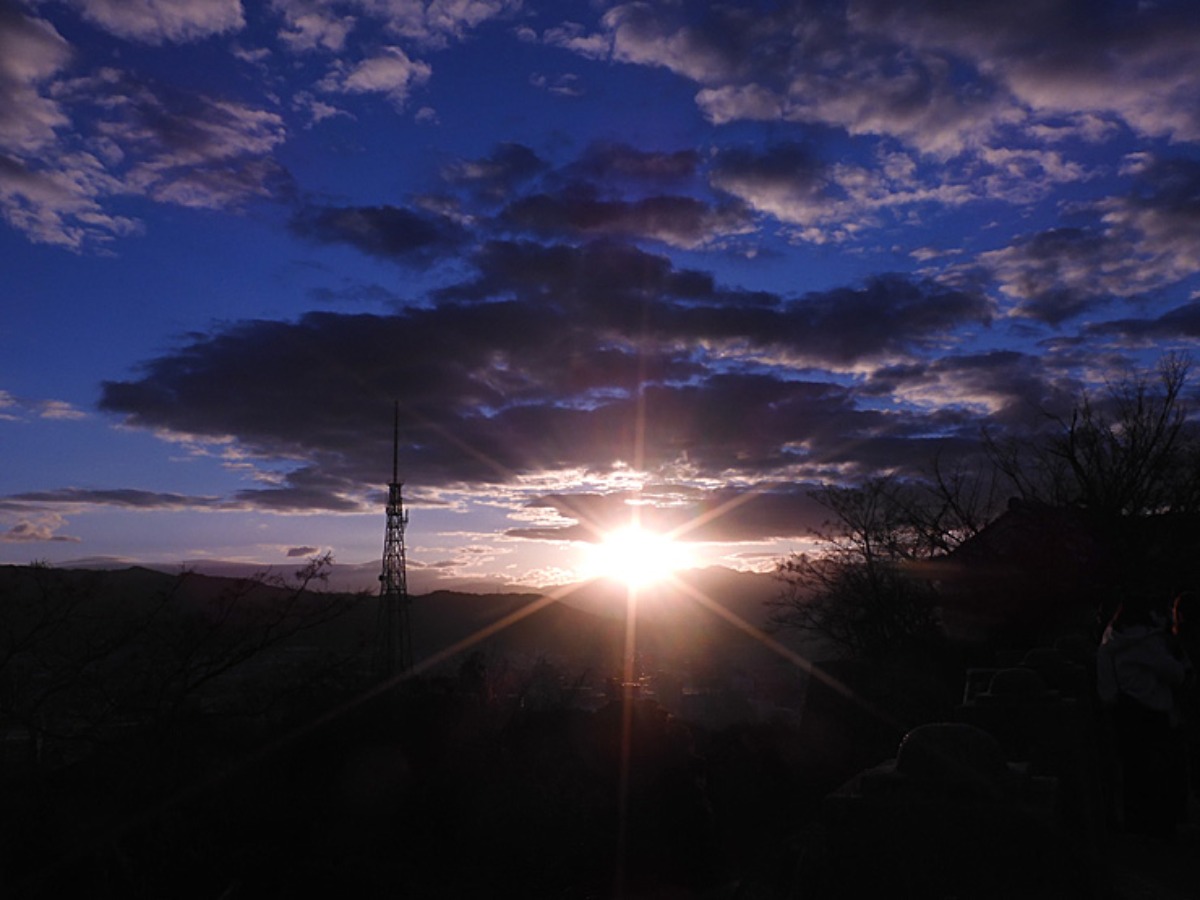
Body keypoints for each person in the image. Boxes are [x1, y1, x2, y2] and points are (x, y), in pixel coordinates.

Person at [1096, 596, 1189, 838]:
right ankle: (1162, 825)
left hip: (1124, 711)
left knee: (1133, 771)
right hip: (1154, 711)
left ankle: (1136, 824)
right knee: (1160, 771)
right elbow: (1175, 673)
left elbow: (1106, 686)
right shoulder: (1148, 641)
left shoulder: (1109, 640)